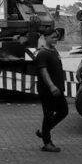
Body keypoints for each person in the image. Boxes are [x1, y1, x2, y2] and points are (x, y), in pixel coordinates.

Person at [35, 24, 68, 152]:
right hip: (48, 90)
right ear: (46, 38)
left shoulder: (54, 51)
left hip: (58, 89)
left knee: (63, 111)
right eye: (53, 37)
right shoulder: (42, 54)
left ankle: (44, 131)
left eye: (57, 38)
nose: (55, 40)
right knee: (48, 114)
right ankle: (47, 143)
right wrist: (52, 86)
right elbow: (44, 72)